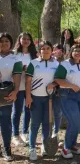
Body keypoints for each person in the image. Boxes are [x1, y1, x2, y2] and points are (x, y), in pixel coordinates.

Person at [25, 41, 59, 161]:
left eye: (48, 48)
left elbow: (60, 79)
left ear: (51, 50)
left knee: (46, 123)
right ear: (39, 51)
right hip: (36, 98)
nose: (45, 50)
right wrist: (28, 97)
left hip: (50, 98)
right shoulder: (33, 63)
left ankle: (44, 145)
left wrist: (53, 84)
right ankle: (32, 148)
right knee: (34, 124)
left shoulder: (56, 63)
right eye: (43, 48)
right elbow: (28, 81)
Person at [54, 44, 80, 159]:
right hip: (68, 95)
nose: (77, 53)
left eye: (79, 51)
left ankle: (73, 145)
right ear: (71, 52)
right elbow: (58, 79)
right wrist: (71, 86)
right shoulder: (65, 64)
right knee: (74, 121)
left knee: (77, 122)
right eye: (75, 51)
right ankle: (65, 148)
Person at [0, 33, 23, 161]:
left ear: (10, 43)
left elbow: (17, 76)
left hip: (6, 94)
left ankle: (7, 148)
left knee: (5, 122)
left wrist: (15, 92)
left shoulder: (15, 59)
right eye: (1, 41)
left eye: (6, 41)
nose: (4, 43)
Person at [12, 32, 37, 146]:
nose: (26, 41)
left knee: (28, 110)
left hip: (30, 87)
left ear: (31, 41)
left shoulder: (34, 55)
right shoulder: (14, 54)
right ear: (20, 40)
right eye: (24, 39)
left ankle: (24, 133)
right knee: (17, 111)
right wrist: (21, 68)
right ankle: (15, 135)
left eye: (28, 39)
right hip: (17, 87)